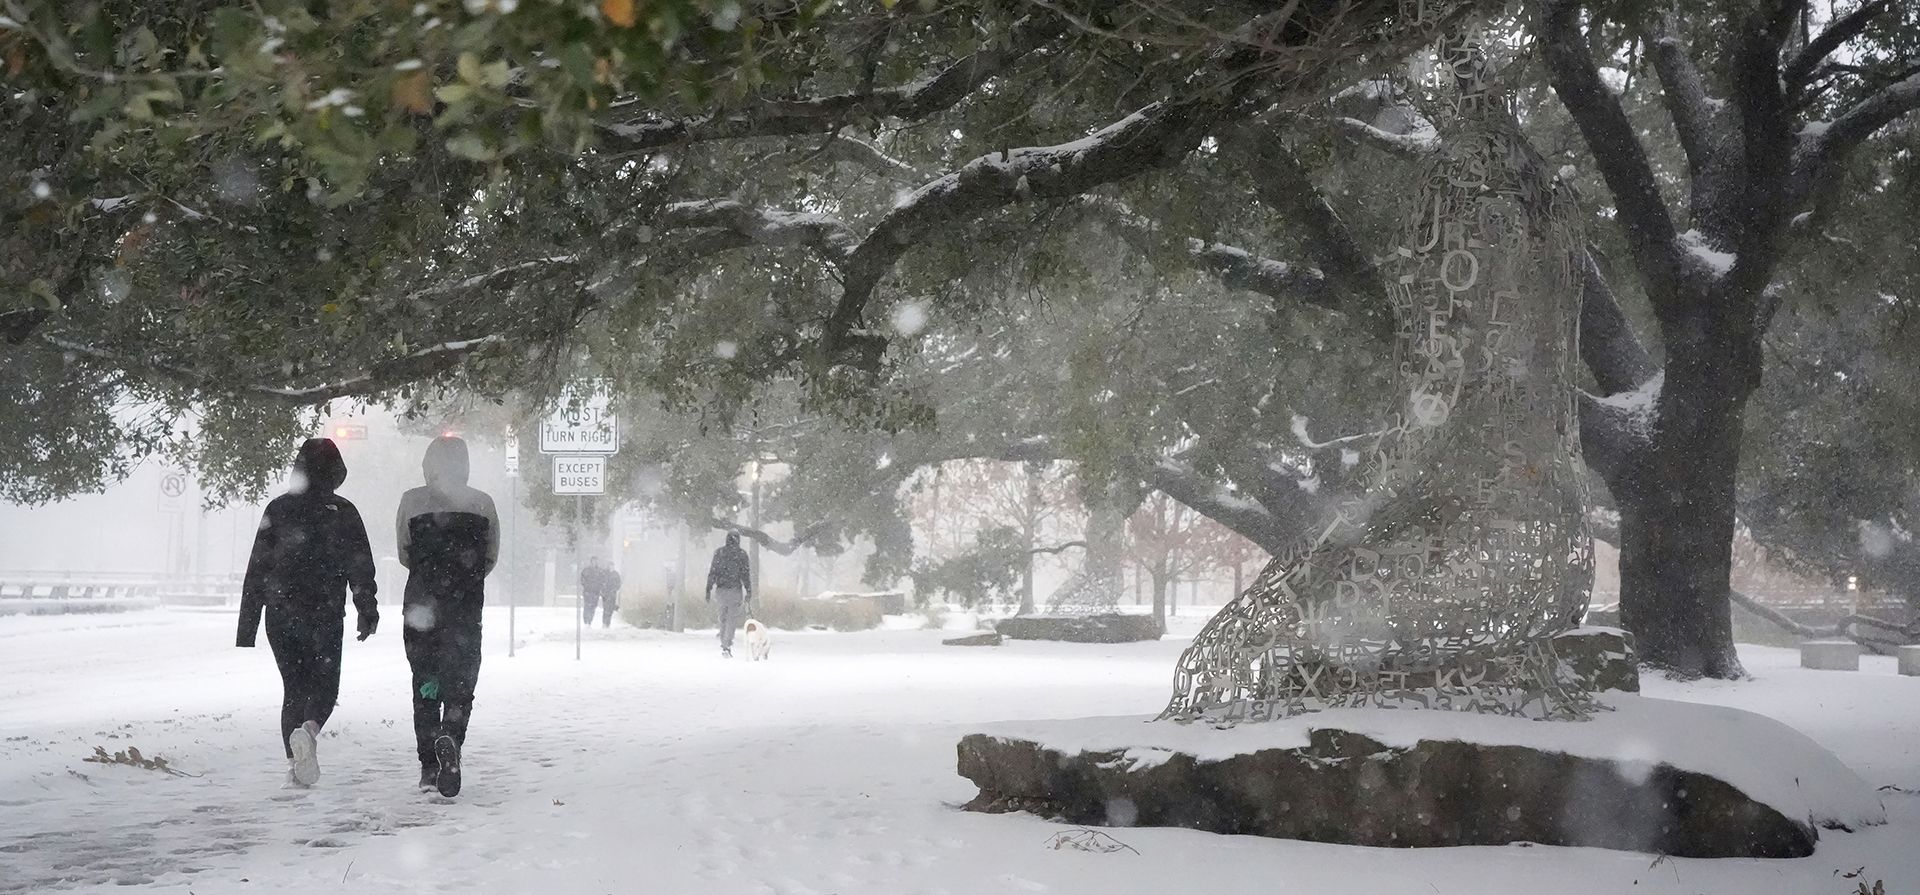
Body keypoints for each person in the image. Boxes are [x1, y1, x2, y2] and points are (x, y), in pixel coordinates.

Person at [236, 438, 378, 788]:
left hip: (280, 614)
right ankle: (309, 733)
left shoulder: (278, 509)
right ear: (336, 471)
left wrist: (248, 626)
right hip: (324, 613)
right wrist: (366, 609)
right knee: (324, 689)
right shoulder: (343, 511)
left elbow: (257, 567)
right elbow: (360, 566)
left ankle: (293, 765)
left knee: (293, 689)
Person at [396, 436, 499, 798]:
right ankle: (450, 737)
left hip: (421, 607)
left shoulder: (411, 501)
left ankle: (428, 768)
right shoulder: (482, 504)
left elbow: (404, 553)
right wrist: (463, 579)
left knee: (425, 682)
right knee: (461, 682)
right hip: (465, 608)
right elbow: (490, 557)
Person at [704, 532, 752, 658]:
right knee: (732, 618)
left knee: (722, 617)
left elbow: (713, 572)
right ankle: (727, 643)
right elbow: (745, 575)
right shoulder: (742, 555)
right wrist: (748, 590)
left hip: (721, 590)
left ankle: (724, 639)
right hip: (735, 590)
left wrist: (708, 589)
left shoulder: (719, 553)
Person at [579, 557, 622, 629]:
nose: (595, 563)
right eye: (594, 561)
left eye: (596, 561)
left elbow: (616, 583)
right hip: (589, 592)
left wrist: (612, 589)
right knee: (587, 607)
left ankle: (604, 623)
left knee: (595, 607)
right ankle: (587, 622)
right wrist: (587, 586)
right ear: (591, 562)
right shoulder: (587, 570)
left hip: (598, 593)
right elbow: (582, 580)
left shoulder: (601, 572)